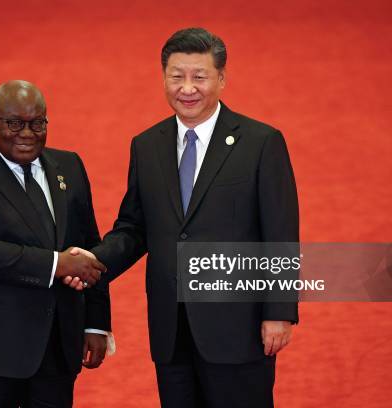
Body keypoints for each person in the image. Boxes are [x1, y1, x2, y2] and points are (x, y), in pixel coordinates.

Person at [84, 27, 299, 407]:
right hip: (171, 329)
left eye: (199, 77)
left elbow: (280, 233)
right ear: (163, 76)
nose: (187, 88)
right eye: (176, 76)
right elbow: (135, 228)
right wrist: (92, 263)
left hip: (238, 328)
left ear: (221, 79)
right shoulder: (147, 145)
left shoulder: (261, 142)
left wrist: (279, 312)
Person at [0, 80, 110, 408]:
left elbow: (89, 245)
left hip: (58, 344)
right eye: (14, 123)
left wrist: (97, 323)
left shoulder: (70, 166)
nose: (27, 133)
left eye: (37, 123)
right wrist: (58, 264)